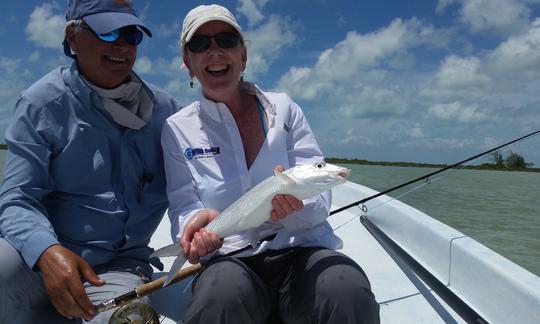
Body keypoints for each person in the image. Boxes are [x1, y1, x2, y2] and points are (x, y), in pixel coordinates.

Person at [161, 4, 380, 324]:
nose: (214, 51)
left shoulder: (285, 110)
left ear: (243, 56)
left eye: (226, 40)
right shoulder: (177, 128)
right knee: (219, 298)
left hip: (302, 250)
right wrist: (195, 226)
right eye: (200, 44)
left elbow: (319, 203)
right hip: (231, 258)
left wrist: (296, 208)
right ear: (188, 63)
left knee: (347, 289)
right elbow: (183, 204)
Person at [0, 0, 180, 322]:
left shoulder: (168, 113)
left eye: (131, 35)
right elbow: (16, 199)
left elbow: (207, 174)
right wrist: (46, 251)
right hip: (42, 259)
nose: (122, 46)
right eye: (108, 34)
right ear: (72, 37)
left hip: (117, 268)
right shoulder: (41, 104)